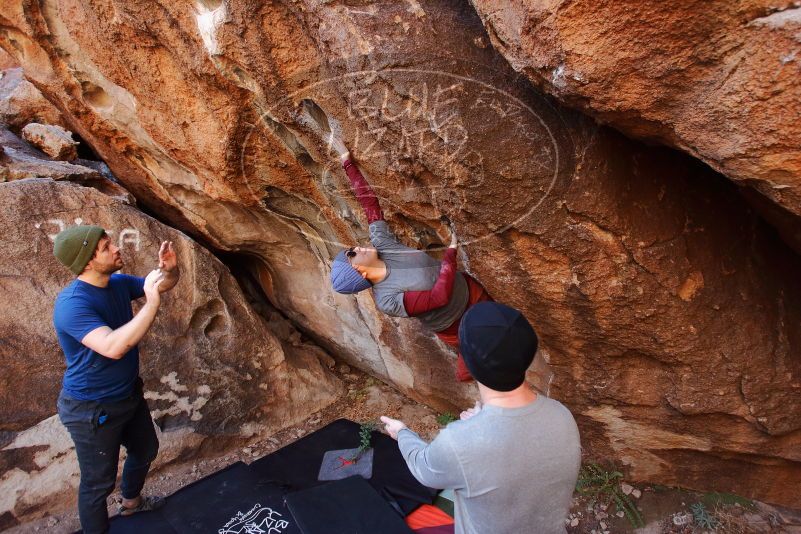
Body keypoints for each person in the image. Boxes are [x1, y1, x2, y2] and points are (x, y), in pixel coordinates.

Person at [380, 302, 581, 534]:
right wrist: (481, 423)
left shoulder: (459, 442)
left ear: (468, 364)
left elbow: (423, 469)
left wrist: (403, 433)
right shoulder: (562, 416)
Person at [52, 225, 180, 534]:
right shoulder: (72, 304)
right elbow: (113, 347)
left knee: (146, 449)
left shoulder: (117, 283)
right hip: (92, 409)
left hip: (127, 395)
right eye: (107, 247)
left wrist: (171, 270)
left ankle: (131, 504)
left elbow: (162, 284)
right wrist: (150, 303)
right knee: (99, 483)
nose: (116, 249)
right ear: (87, 261)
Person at [330, 149, 493, 381]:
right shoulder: (387, 299)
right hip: (457, 324)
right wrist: (450, 255)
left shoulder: (383, 245)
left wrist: (348, 163)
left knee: (507, 335)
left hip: (472, 293)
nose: (356, 248)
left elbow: (369, 203)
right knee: (480, 365)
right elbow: (438, 298)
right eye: (352, 254)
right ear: (359, 270)